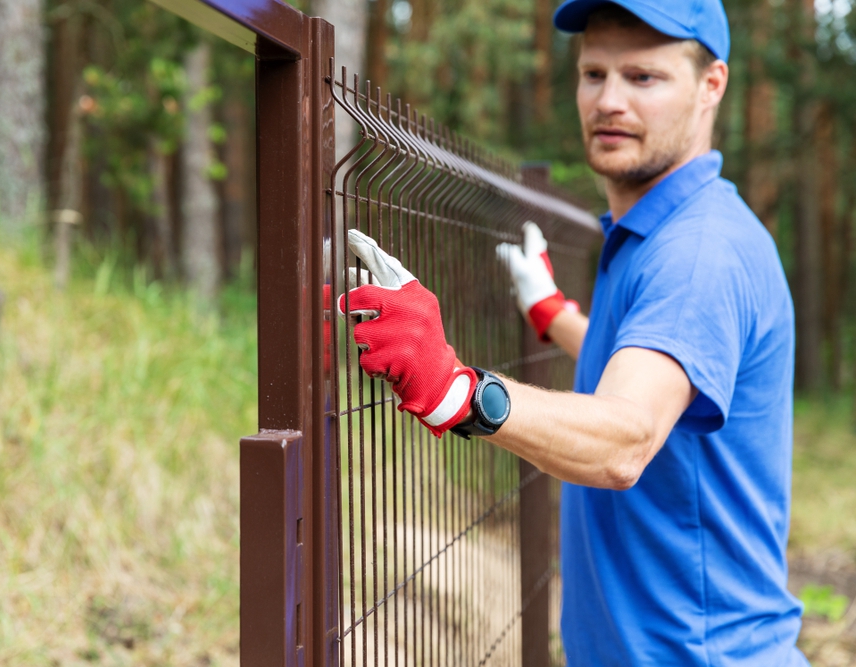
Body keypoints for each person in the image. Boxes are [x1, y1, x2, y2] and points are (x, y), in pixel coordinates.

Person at [338, 1, 808, 665]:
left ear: (712, 86)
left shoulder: (696, 253)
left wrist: (457, 389)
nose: (610, 100)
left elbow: (628, 436)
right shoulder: (652, 230)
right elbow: (649, 373)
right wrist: (553, 312)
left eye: (644, 77)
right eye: (594, 73)